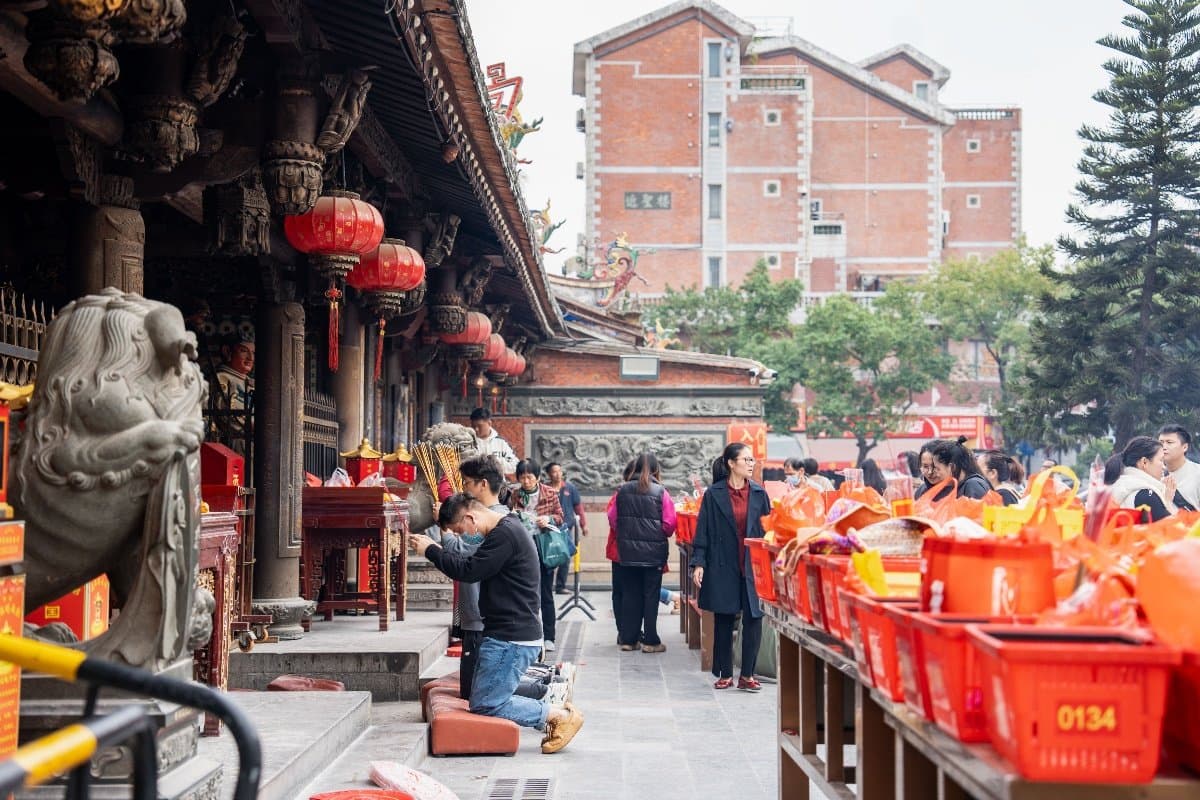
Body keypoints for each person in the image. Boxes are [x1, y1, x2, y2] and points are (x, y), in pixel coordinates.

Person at [409, 495, 583, 754]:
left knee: (487, 704)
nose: (463, 536)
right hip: (507, 633)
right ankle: (553, 708)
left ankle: (556, 715)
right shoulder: (507, 529)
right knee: (484, 697)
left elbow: (468, 571)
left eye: (460, 530)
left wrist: (432, 550)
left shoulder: (505, 535)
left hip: (511, 637)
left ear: (471, 518)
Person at [689, 443, 771, 691]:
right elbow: (702, 531)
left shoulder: (759, 494)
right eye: (745, 460)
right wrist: (698, 563)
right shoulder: (714, 495)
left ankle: (747, 674)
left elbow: (769, 531)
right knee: (724, 618)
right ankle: (725, 673)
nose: (751, 463)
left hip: (752, 566)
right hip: (723, 563)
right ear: (731, 463)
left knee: (753, 619)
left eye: (752, 460)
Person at [446, 454, 510, 700]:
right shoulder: (499, 515)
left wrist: (444, 534)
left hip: (482, 613)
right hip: (480, 611)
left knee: (477, 691)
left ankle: (545, 693)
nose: (464, 488)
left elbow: (460, 551)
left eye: (467, 482)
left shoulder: (488, 521)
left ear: (483, 484)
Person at [608, 452, 677, 653]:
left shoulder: (622, 490)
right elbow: (670, 524)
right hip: (653, 554)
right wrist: (655, 533)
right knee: (651, 596)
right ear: (656, 470)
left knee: (630, 594)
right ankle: (651, 641)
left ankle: (629, 640)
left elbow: (613, 520)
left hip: (627, 553)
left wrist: (628, 533)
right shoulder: (661, 492)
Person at [509, 459, 564, 653]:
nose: (526, 481)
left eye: (529, 477)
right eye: (522, 477)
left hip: (543, 548)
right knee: (524, 593)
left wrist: (548, 519)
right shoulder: (514, 494)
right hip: (523, 548)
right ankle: (528, 633)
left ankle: (549, 636)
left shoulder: (549, 493)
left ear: (538, 477)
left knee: (546, 593)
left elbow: (560, 516)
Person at [1104, 436, 1176, 521]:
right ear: (1144, 462)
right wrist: (1168, 501)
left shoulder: (1121, 485)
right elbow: (1173, 530)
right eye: (1161, 460)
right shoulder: (1147, 494)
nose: (1164, 467)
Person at [546, 462, 588, 594]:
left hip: (566, 529)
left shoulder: (569, 488)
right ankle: (546, 586)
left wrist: (584, 525)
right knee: (549, 557)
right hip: (549, 529)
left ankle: (560, 586)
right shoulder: (545, 488)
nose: (558, 474)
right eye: (554, 471)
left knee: (566, 556)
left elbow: (578, 508)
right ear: (549, 474)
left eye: (560, 471)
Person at [924, 437, 991, 500]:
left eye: (938, 469)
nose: (937, 474)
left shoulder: (973, 485)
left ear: (952, 467)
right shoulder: (963, 486)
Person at [1158, 424, 1200, 511]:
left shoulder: (1197, 473)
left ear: (1185, 447)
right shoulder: (1154, 474)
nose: (1163, 447)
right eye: (1161, 442)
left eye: (1169, 442)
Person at [469, 407, 518, 474]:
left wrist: (496, 462)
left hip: (497, 482)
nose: (476, 429)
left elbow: (514, 466)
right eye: (473, 426)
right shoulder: (469, 443)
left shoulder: (501, 443)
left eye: (479, 426)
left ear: (489, 423)